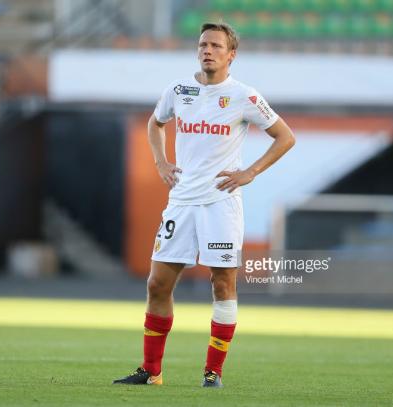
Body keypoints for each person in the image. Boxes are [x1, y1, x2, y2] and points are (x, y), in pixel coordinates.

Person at [113, 22, 295, 387]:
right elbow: (155, 123)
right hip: (181, 202)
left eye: (215, 45)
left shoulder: (244, 96)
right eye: (202, 45)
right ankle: (151, 371)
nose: (207, 50)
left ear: (231, 55)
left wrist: (251, 172)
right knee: (156, 284)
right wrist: (161, 162)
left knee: (222, 284)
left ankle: (213, 372)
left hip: (220, 204)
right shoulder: (179, 91)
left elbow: (284, 137)